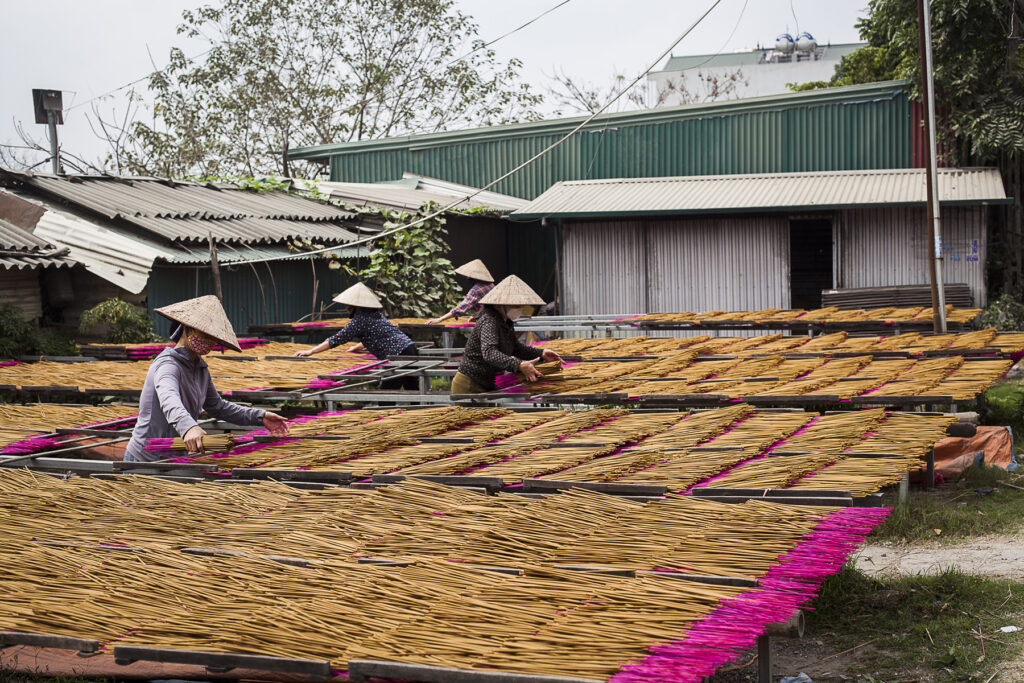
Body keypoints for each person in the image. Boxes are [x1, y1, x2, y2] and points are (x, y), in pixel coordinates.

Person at [124, 295, 289, 461]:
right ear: (186, 328)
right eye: (203, 333)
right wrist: (188, 427)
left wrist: (260, 416)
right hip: (144, 458)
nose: (208, 341)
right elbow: (169, 399)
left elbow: (217, 406)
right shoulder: (168, 365)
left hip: (174, 456)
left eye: (212, 337)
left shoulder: (200, 369)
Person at [293, 282, 419, 390]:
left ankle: (389, 415)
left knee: (386, 396)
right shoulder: (376, 315)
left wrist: (310, 351)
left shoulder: (360, 321)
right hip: (410, 349)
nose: (347, 308)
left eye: (349, 306)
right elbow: (379, 335)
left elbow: (335, 340)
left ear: (356, 307)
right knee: (413, 391)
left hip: (398, 356)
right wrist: (359, 346)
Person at [451, 275, 562, 395]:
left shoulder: (506, 322)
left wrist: (541, 353)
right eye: (515, 306)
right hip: (470, 385)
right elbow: (489, 353)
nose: (519, 309)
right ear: (500, 304)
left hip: (487, 383)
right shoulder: (490, 320)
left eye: (521, 306)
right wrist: (519, 365)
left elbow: (516, 348)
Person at [426, 259, 495, 325]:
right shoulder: (491, 285)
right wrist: (477, 316)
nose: (467, 277)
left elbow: (461, 308)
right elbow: (487, 308)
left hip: (488, 323)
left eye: (468, 275)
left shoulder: (476, 290)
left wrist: (440, 319)